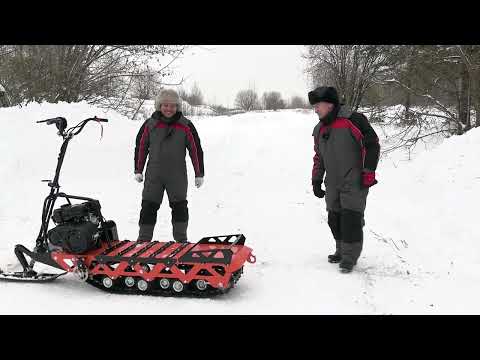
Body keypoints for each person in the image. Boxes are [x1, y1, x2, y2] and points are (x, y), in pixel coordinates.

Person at [308, 86, 380, 272]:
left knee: (351, 219)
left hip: (354, 180)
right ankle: (340, 250)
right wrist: (316, 179)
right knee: (334, 218)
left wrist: (369, 171)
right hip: (332, 182)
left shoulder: (353, 120)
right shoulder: (319, 129)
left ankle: (349, 258)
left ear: (330, 104)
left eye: (318, 105)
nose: (315, 109)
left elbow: (371, 145)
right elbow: (319, 156)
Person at [134, 89, 204, 242]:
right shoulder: (150, 124)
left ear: (177, 107)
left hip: (177, 175)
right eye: (165, 105)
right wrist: (138, 170)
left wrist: (199, 173)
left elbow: (195, 149)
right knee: (148, 207)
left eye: (173, 105)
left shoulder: (185, 125)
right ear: (159, 106)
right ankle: (143, 241)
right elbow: (141, 146)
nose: (169, 109)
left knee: (180, 207)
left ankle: (181, 241)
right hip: (154, 174)